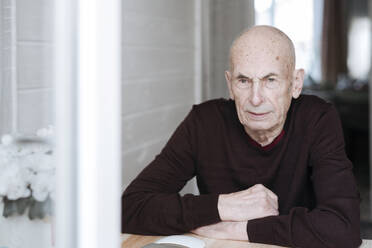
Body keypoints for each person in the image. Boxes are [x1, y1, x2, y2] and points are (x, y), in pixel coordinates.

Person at [121, 25, 362, 247]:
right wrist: (224, 206)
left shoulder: (317, 119)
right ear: (230, 84)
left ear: (296, 83)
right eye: (244, 80)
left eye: (270, 80)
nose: (256, 99)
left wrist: (240, 228)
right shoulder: (204, 122)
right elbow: (129, 208)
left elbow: (343, 227)